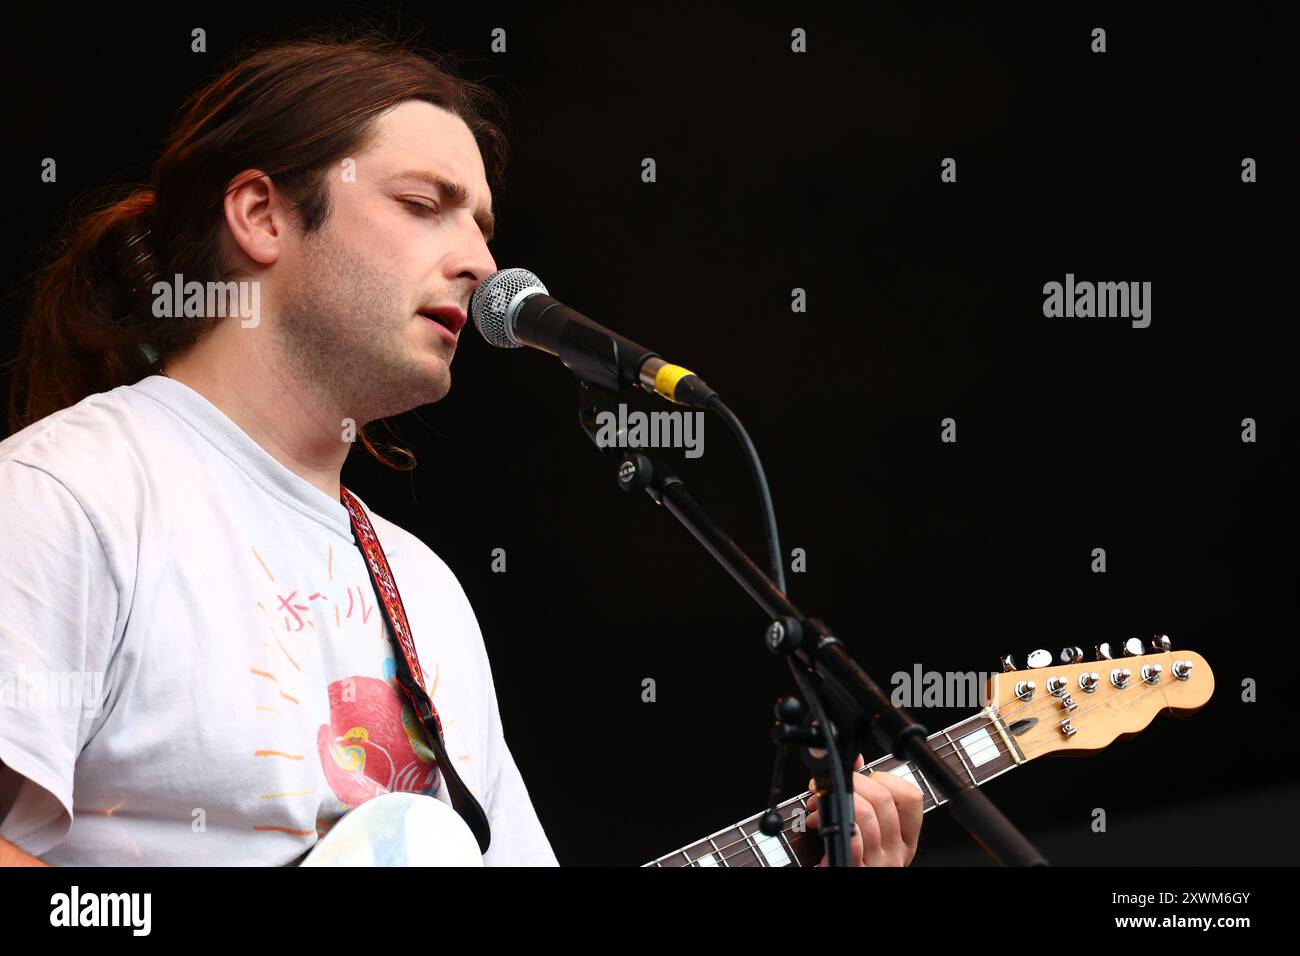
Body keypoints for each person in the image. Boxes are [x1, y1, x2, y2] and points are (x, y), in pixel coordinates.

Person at [0, 34, 922, 867]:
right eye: (424, 204)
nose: (482, 262)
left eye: (482, 224)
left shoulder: (425, 592)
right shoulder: (70, 496)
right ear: (262, 215)